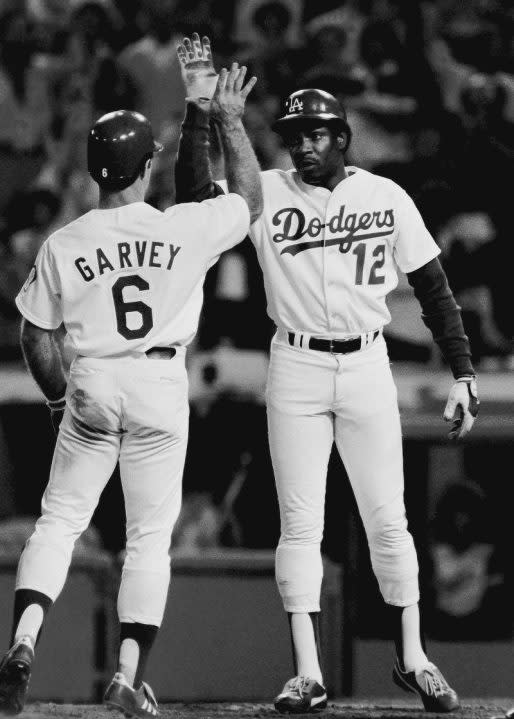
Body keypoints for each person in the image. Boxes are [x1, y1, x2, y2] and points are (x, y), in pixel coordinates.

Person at [175, 36, 479, 715]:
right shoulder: (267, 192)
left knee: (389, 520)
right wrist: (201, 112)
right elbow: (196, 193)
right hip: (298, 363)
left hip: (370, 360)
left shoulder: (387, 194)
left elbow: (434, 288)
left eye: (314, 132)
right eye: (291, 134)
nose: (302, 144)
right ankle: (307, 671)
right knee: (300, 525)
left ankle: (414, 655)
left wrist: (461, 369)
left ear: (342, 135)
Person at [0, 54, 262, 717]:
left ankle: (24, 643)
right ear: (149, 166)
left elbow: (33, 335)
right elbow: (251, 201)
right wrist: (222, 115)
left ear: (93, 170)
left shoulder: (64, 241)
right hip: (158, 381)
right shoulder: (181, 226)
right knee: (149, 538)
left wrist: (61, 399)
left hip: (91, 379)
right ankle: (125, 674)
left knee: (58, 522)